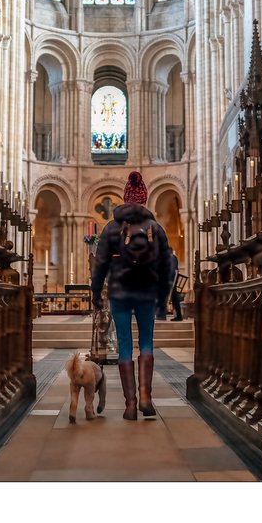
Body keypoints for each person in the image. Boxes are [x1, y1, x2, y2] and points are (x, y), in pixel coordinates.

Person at [90, 171, 171, 419]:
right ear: (144, 199)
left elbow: (101, 263)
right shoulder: (155, 228)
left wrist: (96, 293)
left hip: (120, 294)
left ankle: (131, 405)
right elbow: (167, 266)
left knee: (125, 344)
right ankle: (146, 396)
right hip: (147, 292)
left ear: (125, 198)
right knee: (146, 342)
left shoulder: (112, 227)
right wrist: (163, 298)